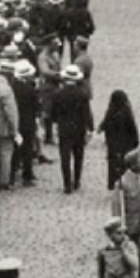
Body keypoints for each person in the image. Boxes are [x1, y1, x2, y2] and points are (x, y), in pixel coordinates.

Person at [48, 66, 93, 194]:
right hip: (79, 128)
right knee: (78, 156)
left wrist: (55, 122)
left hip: (64, 128)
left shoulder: (58, 94)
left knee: (65, 157)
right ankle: (77, 180)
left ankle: (67, 184)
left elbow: (53, 113)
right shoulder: (82, 94)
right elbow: (87, 113)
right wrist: (90, 128)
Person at [100, 90, 139, 190]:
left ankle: (112, 184)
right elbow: (132, 128)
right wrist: (135, 142)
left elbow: (105, 125)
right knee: (124, 165)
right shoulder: (126, 112)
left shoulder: (110, 111)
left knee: (112, 165)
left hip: (113, 145)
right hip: (126, 144)